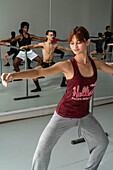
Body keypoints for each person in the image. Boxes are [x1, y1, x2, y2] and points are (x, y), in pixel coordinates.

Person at [2, 26, 112, 170]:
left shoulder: (95, 63)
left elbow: (110, 68)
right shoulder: (67, 65)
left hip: (84, 115)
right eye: (72, 43)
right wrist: (13, 75)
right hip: (63, 114)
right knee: (42, 150)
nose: (74, 46)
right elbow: (40, 72)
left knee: (102, 142)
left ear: (87, 42)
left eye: (78, 42)